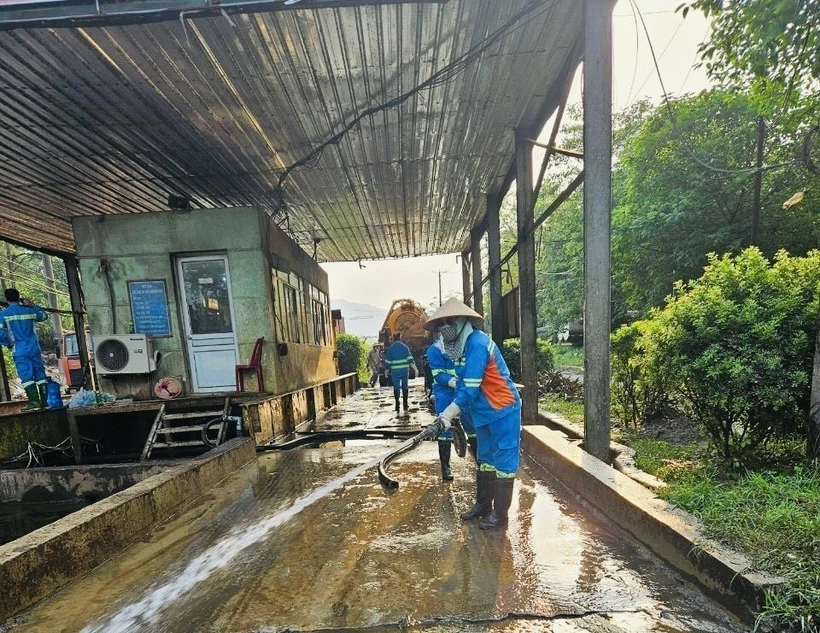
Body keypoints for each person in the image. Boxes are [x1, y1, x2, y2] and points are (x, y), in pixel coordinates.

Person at [423, 297, 521, 530]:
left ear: (460, 321)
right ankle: (483, 505)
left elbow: (468, 389)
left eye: (447, 322)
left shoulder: (477, 344)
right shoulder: (461, 348)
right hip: (482, 412)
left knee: (504, 461)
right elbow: (459, 387)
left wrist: (446, 416)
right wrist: (449, 414)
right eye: (440, 325)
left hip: (502, 410)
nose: (442, 329)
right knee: (485, 460)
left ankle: (500, 515)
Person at [0, 288, 49, 410]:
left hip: (20, 350)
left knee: (26, 376)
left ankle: (34, 402)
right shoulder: (29, 310)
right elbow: (43, 316)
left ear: (6, 299)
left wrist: (7, 343)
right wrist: (33, 305)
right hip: (34, 348)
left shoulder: (5, 314)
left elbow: (0, 332)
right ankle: (45, 402)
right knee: (40, 375)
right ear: (19, 297)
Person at [384, 332, 416, 413]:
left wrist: (386, 371)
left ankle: (397, 403)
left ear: (393, 339)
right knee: (405, 386)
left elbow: (388, 361)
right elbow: (410, 359)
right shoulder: (405, 347)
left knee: (396, 387)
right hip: (405, 370)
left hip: (395, 371)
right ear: (400, 338)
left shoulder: (391, 348)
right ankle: (405, 403)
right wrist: (415, 369)